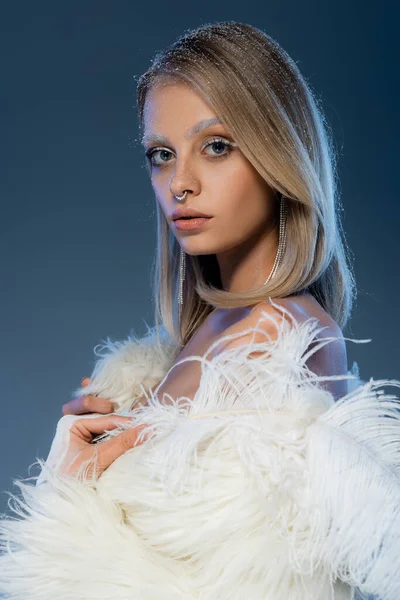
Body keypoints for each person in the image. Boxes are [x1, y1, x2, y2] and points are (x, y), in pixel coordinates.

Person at [0, 20, 399, 600]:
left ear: (278, 152)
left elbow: (271, 581)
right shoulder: (214, 328)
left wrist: (76, 487)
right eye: (161, 155)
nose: (180, 183)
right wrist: (123, 422)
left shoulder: (287, 334)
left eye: (216, 146)